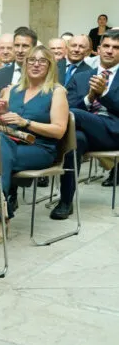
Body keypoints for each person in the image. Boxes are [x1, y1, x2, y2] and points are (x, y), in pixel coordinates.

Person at [0, 45, 68, 244]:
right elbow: (1, 126)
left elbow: (59, 130)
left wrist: (26, 122)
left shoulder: (57, 92)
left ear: (50, 66)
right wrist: (2, 115)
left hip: (40, 149)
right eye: (32, 60)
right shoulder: (11, 90)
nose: (36, 64)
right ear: (25, 63)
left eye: (42, 61)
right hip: (9, 144)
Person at [51, 29, 119, 220]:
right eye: (106, 46)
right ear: (98, 49)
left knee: (74, 115)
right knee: (75, 141)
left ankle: (46, 144)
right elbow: (68, 106)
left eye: (116, 47)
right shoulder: (81, 77)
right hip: (86, 133)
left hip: (114, 133)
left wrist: (104, 95)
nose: (110, 51)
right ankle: (65, 202)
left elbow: (70, 113)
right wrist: (89, 98)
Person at [0, 26, 38, 99]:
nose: (20, 50)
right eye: (17, 45)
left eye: (25, 46)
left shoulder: (41, 74)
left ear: (34, 48)